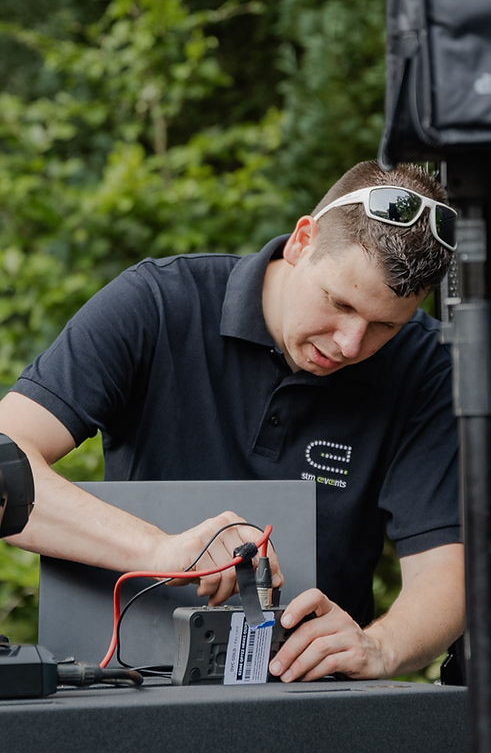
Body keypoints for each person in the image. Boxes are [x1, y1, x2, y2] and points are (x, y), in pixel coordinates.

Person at [0, 159, 464, 681]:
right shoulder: (157, 304)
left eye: (384, 327)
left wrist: (381, 646)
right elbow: (5, 466)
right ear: (302, 241)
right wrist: (160, 549)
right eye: (339, 303)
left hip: (313, 698)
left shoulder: (426, 366)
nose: (350, 344)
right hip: (122, 685)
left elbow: (445, 565)